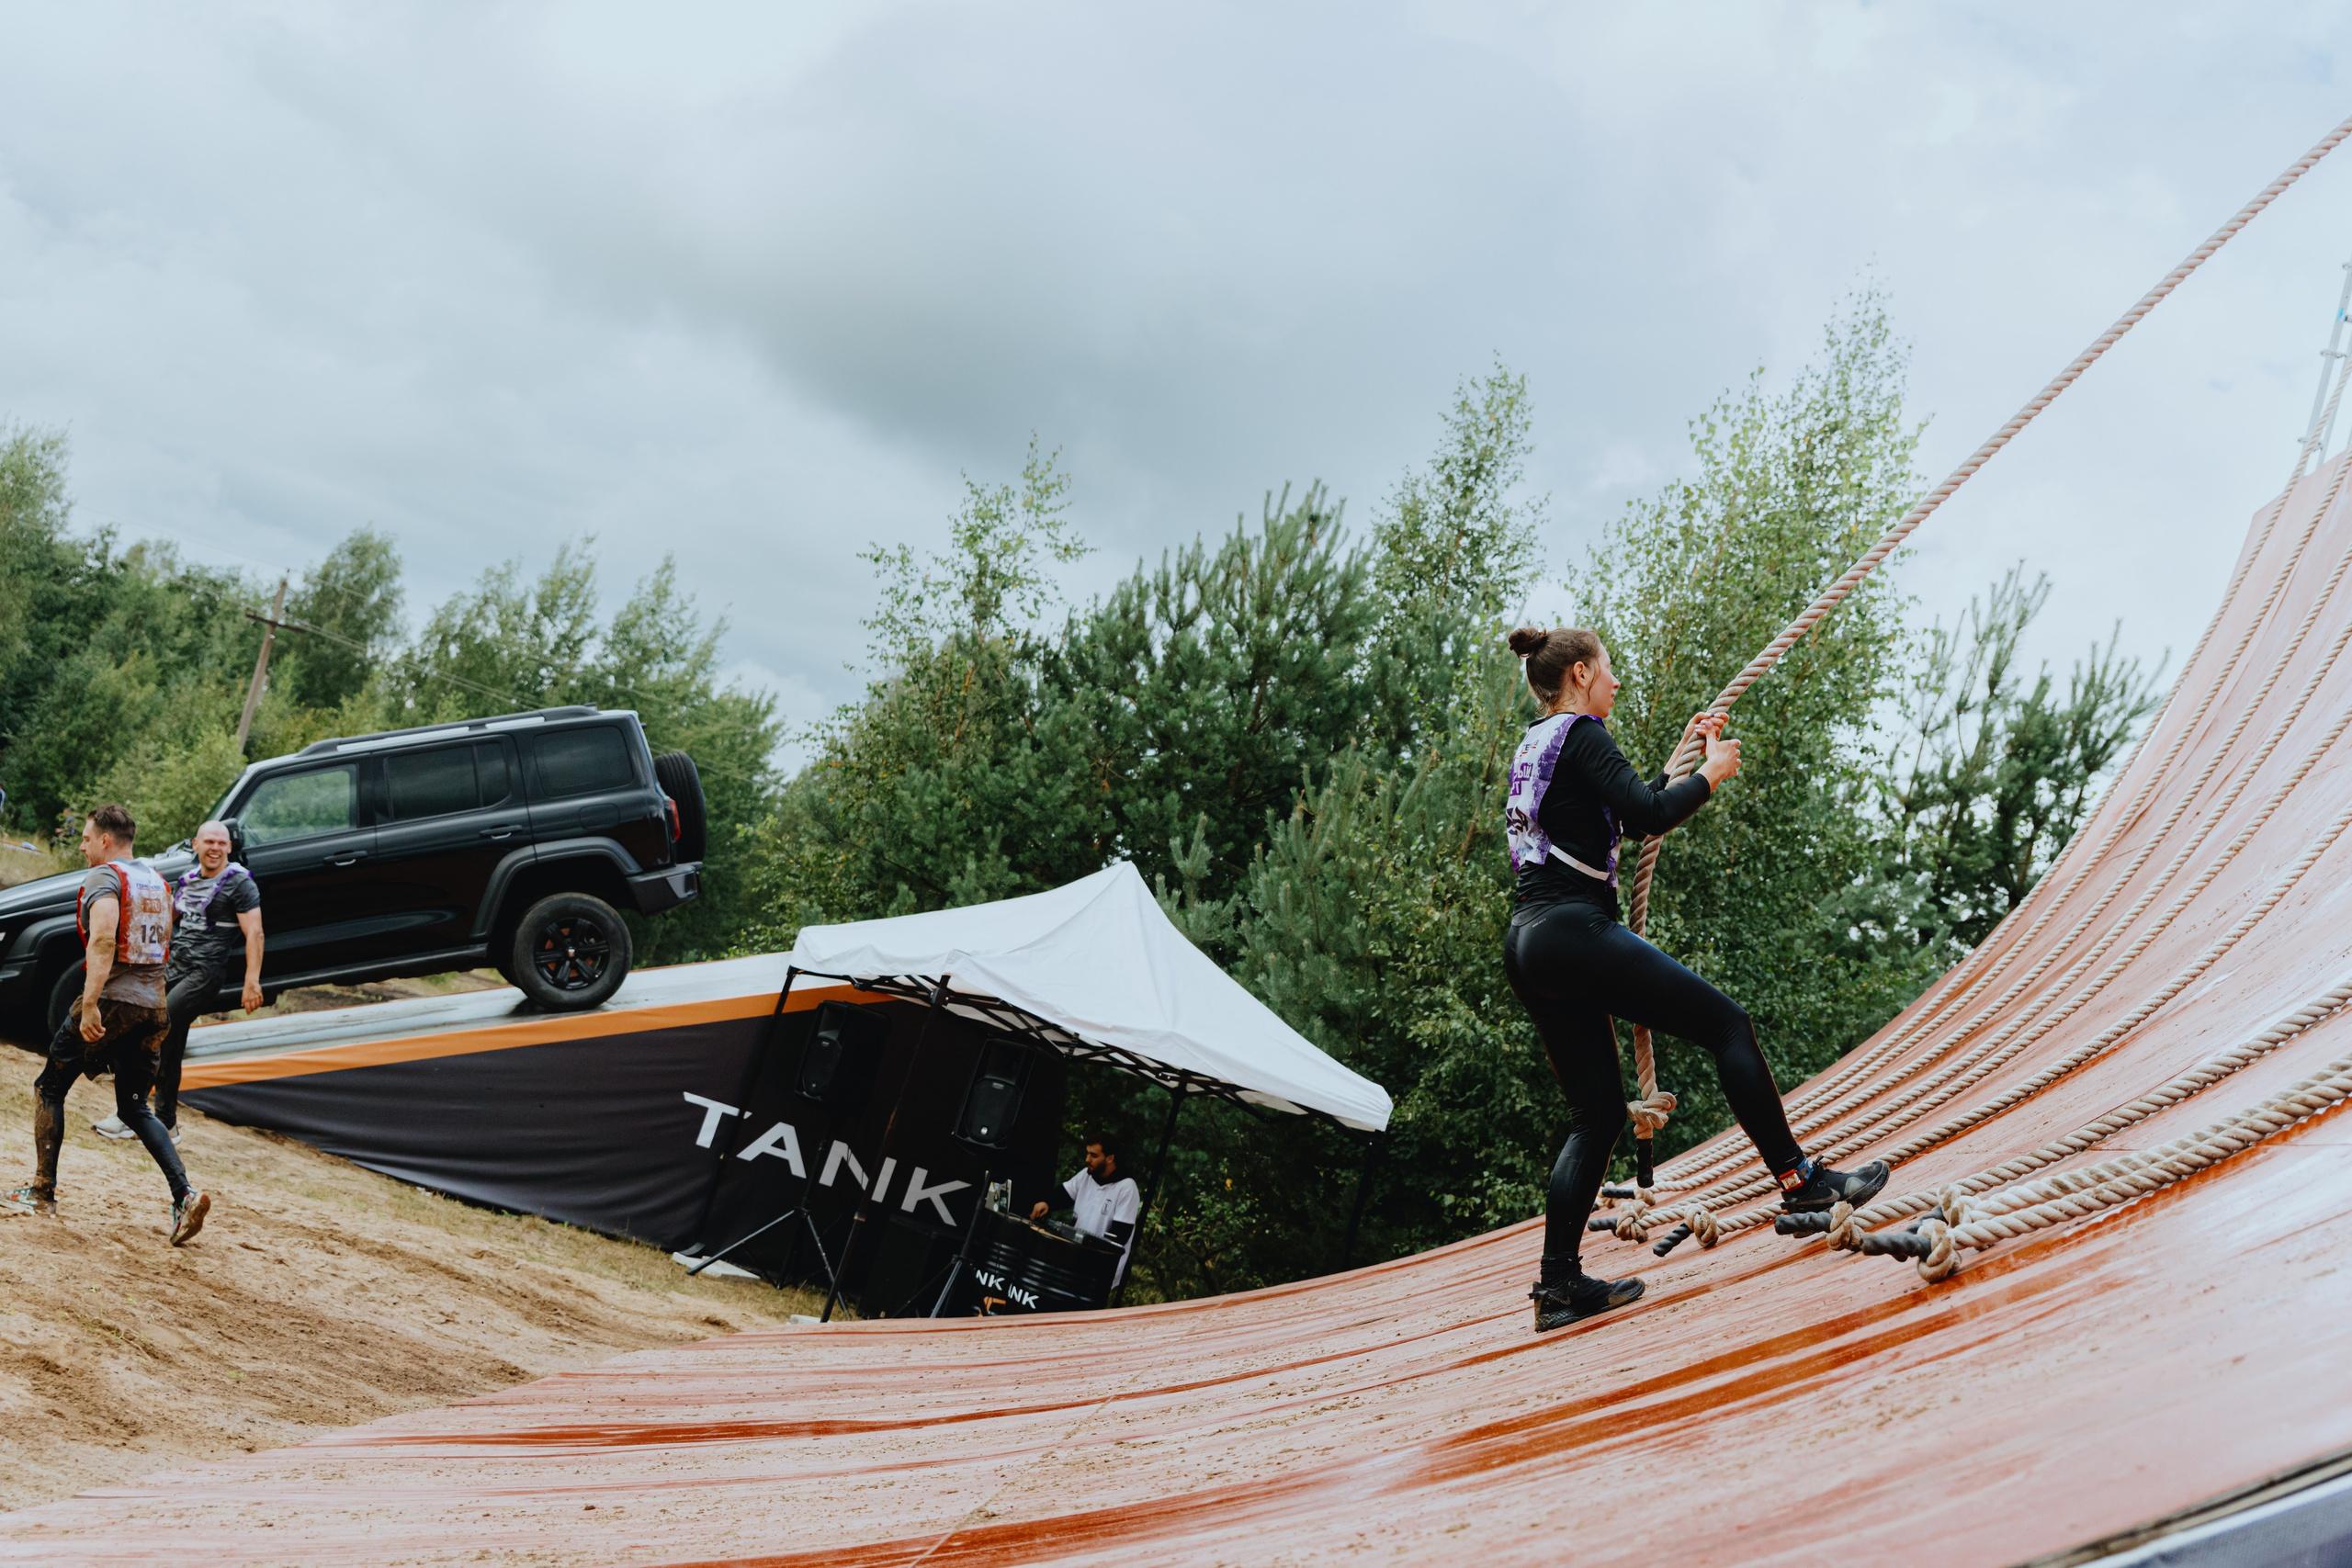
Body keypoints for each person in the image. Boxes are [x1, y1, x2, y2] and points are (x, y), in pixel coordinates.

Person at [1501, 627, 1885, 1334]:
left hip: (1528, 942)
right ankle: (1800, 1181)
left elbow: (1623, 806)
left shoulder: (1536, 744)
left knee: (1598, 1115)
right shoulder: (1582, 733)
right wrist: (1713, 773)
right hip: (1571, 930)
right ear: (1582, 673)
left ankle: (1557, 1286)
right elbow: (1650, 815)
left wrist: (1686, 753)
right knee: (1726, 1024)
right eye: (1610, 672)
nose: (1616, 685)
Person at [3, 804, 210, 1245]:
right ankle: (185, 1195)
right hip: (153, 1007)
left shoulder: (106, 877)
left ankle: (41, 1192)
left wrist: (91, 1003)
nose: (81, 846)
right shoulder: (156, 879)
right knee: (134, 1108)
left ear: (106, 841)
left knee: (49, 1088)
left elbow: (103, 937)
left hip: (112, 1001)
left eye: (85, 838)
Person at [92, 820, 262, 1145]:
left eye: (222, 844)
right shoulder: (188, 880)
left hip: (204, 973)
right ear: (196, 844)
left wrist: (252, 981)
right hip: (175, 967)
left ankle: (131, 1114)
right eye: (209, 842)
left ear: (229, 848)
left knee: (155, 1030)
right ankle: (166, 1123)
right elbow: (165, 922)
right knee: (171, 1043)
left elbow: (255, 932)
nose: (215, 848)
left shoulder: (240, 883)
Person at [1030, 1131, 1141, 1288]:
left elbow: (1119, 1236)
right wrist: (1047, 1203)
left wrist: (1087, 1254)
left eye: (1093, 1156)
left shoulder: (1127, 1188)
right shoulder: (1087, 1175)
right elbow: (1064, 1194)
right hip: (1074, 1261)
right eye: (1087, 1153)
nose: (1087, 1159)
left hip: (1099, 1272)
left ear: (1110, 1158)